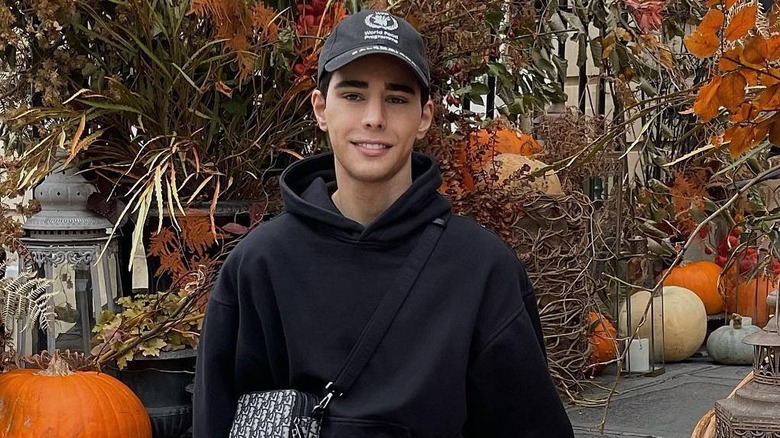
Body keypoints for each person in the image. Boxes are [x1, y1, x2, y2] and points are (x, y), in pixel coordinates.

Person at [193, 9, 574, 437]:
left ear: (425, 116)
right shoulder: (259, 265)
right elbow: (217, 421)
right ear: (321, 109)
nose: (374, 117)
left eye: (396, 98)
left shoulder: (481, 270)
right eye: (354, 95)